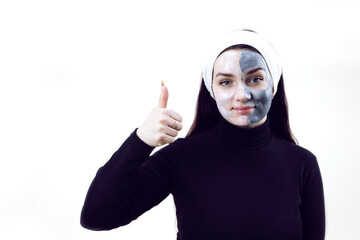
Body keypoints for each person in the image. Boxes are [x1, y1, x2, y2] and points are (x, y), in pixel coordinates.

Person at [80, 29, 326, 240]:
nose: (242, 94)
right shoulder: (180, 159)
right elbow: (97, 216)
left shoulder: (302, 164)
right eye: (226, 82)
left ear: (273, 86)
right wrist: (140, 140)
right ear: (211, 90)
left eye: (255, 79)